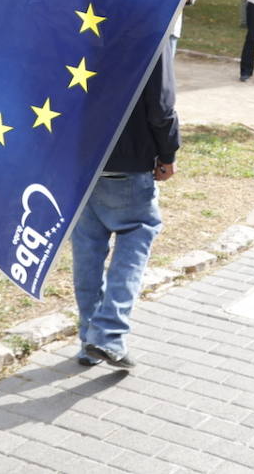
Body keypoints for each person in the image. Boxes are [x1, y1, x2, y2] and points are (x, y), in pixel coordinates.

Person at [72, 51, 179, 368]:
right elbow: (161, 106)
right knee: (136, 238)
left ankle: (88, 338)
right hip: (129, 162)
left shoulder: (70, 19)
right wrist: (168, 152)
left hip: (79, 161)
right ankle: (107, 334)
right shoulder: (149, 28)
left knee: (87, 249)